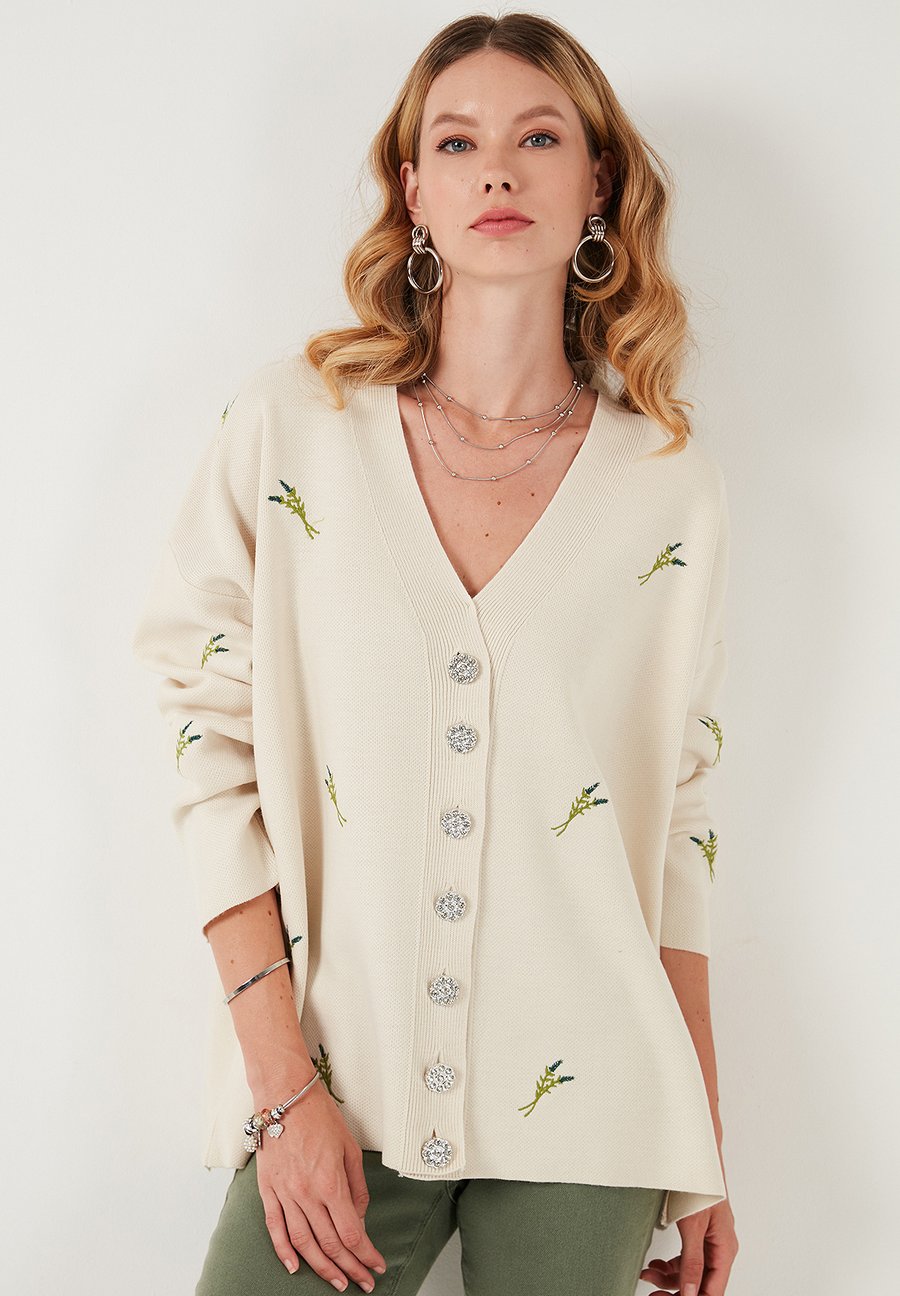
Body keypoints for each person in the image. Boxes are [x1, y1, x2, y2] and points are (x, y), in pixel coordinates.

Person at [132, 12, 740, 1296]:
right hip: (334, 1083)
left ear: (598, 182)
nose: (498, 170)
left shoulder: (668, 489)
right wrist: (280, 1086)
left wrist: (700, 1154)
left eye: (540, 138)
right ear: (414, 192)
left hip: (597, 1107)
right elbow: (205, 741)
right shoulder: (295, 426)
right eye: (457, 143)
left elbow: (676, 825)